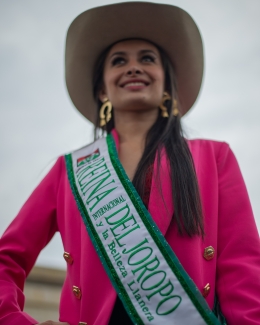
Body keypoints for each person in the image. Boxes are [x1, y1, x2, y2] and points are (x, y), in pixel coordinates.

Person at [0, 2, 260, 325]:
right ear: (102, 89)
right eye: (119, 61)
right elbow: (6, 258)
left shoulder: (214, 158)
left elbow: (244, 274)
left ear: (168, 84)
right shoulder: (69, 171)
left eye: (147, 59)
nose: (133, 68)